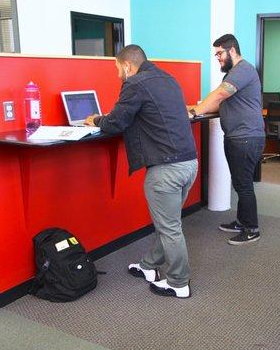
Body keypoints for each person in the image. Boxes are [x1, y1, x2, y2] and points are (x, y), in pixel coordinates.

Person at [84, 44, 198, 299]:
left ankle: (179, 282)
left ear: (127, 65)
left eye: (116, 69)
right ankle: (148, 266)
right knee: (167, 222)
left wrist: (95, 120)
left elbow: (115, 122)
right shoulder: (167, 78)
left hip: (166, 169)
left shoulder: (135, 84)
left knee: (169, 227)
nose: (116, 75)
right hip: (189, 163)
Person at [190, 34, 265, 246]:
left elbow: (221, 95)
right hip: (239, 137)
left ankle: (251, 229)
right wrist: (195, 110)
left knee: (244, 185)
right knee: (241, 184)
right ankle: (242, 221)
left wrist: (195, 112)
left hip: (246, 138)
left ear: (232, 50)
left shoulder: (243, 70)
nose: (218, 59)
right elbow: (219, 103)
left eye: (220, 54)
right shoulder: (234, 73)